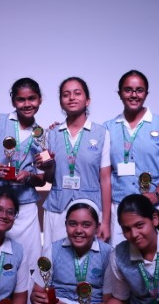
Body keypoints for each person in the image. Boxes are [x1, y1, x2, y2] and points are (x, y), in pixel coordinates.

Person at [0, 78, 47, 273]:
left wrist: (28, 176)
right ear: (13, 101)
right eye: (21, 99)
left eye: (32, 99)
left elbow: (42, 179)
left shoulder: (41, 134)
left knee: (28, 262)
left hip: (24, 207)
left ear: (40, 100)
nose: (27, 104)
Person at [29, 200, 117, 304]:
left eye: (86, 225)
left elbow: (109, 303)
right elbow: (38, 290)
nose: (78, 230)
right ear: (65, 225)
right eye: (73, 224)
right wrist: (36, 298)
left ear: (97, 227)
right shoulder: (53, 249)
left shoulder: (108, 253)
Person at [39, 77, 112, 247]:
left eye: (77, 93)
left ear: (87, 100)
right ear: (61, 102)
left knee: (90, 260)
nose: (71, 98)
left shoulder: (101, 133)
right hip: (57, 209)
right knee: (55, 258)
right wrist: (48, 167)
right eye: (66, 94)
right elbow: (48, 179)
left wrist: (106, 221)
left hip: (90, 211)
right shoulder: (51, 134)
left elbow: (105, 179)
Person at [104, 70, 159, 246]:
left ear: (146, 93)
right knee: (121, 257)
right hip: (120, 208)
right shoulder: (108, 129)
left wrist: (157, 194)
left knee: (158, 256)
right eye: (128, 90)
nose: (134, 95)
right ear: (120, 93)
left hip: (155, 207)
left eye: (139, 90)